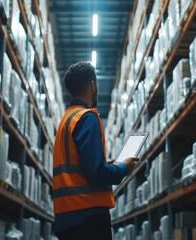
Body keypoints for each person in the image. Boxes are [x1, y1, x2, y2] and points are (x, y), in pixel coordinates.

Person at [53, 61, 138, 240]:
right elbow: (96, 173)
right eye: (97, 83)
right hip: (87, 217)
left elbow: (80, 166)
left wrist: (105, 164)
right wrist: (123, 167)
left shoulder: (66, 119)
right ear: (92, 85)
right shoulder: (87, 117)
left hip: (67, 217)